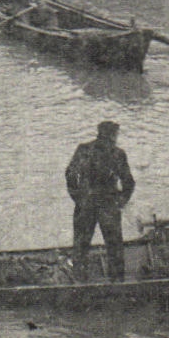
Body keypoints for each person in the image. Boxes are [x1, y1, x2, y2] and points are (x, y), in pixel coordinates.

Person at [65, 120, 136, 281]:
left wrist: (77, 197)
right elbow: (129, 182)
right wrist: (121, 201)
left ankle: (79, 281)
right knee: (114, 247)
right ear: (113, 135)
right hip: (108, 205)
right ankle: (117, 283)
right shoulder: (117, 153)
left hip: (86, 203)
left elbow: (70, 174)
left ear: (99, 133)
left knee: (81, 246)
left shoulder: (84, 150)